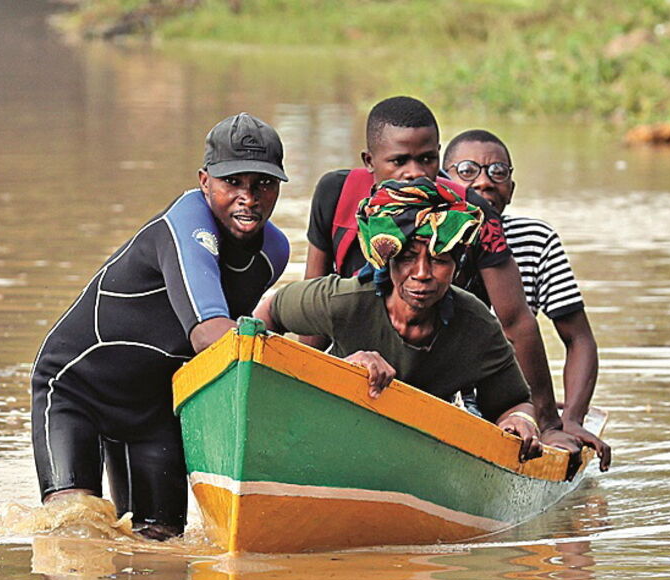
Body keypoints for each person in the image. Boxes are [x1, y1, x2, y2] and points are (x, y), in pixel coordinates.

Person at [30, 112, 290, 540]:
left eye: (263, 183)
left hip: (154, 409)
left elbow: (229, 350)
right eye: (233, 183)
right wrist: (284, 365)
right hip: (78, 391)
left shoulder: (274, 250)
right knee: (74, 535)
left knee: (162, 550)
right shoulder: (185, 223)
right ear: (204, 181)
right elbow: (209, 332)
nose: (249, 197)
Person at [303, 95, 573, 447]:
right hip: (356, 370)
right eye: (399, 161)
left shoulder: (471, 212)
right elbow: (312, 319)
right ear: (370, 161)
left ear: (439, 156)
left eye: (427, 159)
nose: (414, 173)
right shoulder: (335, 193)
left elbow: (515, 321)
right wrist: (306, 387)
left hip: (432, 382)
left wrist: (548, 423)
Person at [257, 177, 543, 461]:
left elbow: (514, 403)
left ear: (457, 266)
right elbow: (266, 316)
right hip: (338, 431)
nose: (422, 273)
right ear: (387, 259)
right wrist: (342, 372)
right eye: (407, 258)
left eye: (440, 260)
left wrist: (520, 421)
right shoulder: (343, 300)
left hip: (428, 450)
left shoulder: (476, 324)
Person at [442, 129, 610, 470]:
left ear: (512, 189)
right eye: (468, 170)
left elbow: (579, 340)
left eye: (498, 172)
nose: (485, 182)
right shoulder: (427, 235)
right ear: (444, 180)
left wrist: (570, 420)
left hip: (512, 397)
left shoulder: (535, 239)